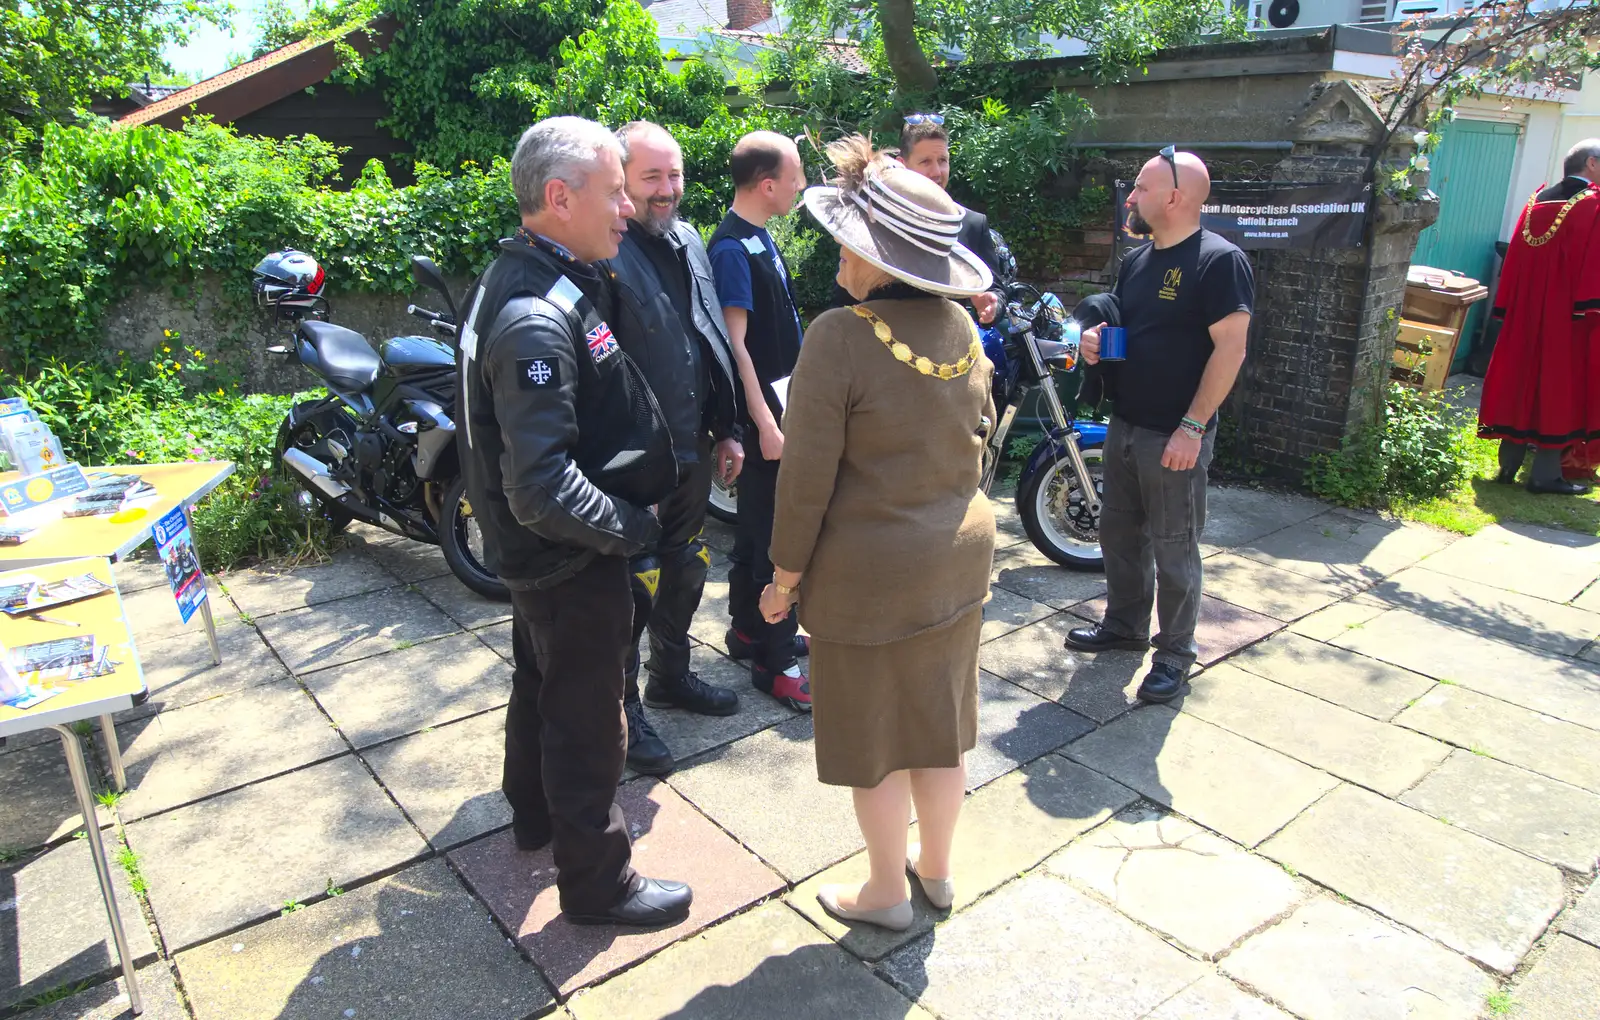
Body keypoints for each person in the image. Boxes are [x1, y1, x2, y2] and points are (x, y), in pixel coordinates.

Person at [455, 115, 692, 927]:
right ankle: (599, 884)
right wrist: (630, 529)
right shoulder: (532, 313)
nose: (628, 208)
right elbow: (542, 486)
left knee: (541, 681)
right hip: (566, 555)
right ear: (559, 198)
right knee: (590, 720)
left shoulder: (535, 275)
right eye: (614, 191)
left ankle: (531, 816)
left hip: (547, 556)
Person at [759, 135, 996, 931]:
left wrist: (784, 579)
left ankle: (887, 892)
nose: (837, 261)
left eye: (849, 247)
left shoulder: (838, 336)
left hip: (867, 583)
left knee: (877, 742)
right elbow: (982, 436)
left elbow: (805, 482)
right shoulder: (962, 328)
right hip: (958, 563)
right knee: (939, 727)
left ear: (884, 256)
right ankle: (936, 870)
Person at [1068, 148, 1253, 705]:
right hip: (1126, 425)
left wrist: (1192, 428)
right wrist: (1096, 344)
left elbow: (1231, 351)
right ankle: (1124, 627)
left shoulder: (1219, 262)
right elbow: (1129, 330)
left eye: (1141, 188)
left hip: (1176, 435)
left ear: (1174, 197)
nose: (1130, 197)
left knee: (1175, 548)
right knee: (1119, 536)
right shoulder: (1138, 260)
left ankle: (1174, 652)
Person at [605, 120, 745, 776]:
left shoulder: (689, 238)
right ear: (623, 183)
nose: (667, 190)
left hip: (695, 445)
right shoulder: (606, 250)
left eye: (675, 175)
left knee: (687, 567)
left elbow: (710, 335)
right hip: (637, 461)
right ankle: (625, 713)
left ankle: (672, 676)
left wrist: (730, 426)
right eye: (651, 177)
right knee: (634, 585)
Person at [708, 131, 813, 711]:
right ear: (767, 184)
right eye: (795, 175)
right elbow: (736, 347)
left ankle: (748, 630)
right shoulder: (730, 250)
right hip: (765, 420)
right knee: (778, 534)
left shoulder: (758, 238)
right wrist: (767, 426)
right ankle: (774, 663)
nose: (801, 185)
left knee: (757, 528)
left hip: (780, 409)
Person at [1479, 138, 1600, 495]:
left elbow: (1512, 263)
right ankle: (1545, 476)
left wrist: (1507, 309)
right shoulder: (1592, 205)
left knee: (1521, 384)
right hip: (1568, 318)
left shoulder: (1535, 203)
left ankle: (1508, 467)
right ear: (1591, 164)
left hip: (1525, 316)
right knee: (1559, 388)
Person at [830, 112, 1011, 323]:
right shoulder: (876, 220)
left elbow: (995, 289)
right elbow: (842, 298)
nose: (937, 171)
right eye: (925, 161)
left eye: (943, 160)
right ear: (902, 164)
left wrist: (992, 305)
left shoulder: (972, 224)